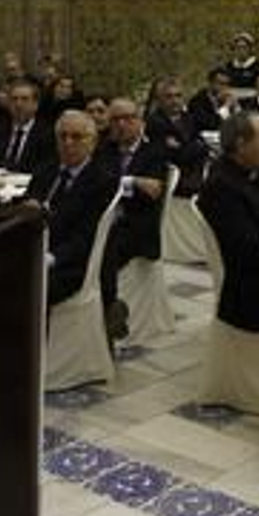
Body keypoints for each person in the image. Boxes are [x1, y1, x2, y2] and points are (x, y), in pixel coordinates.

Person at [197, 112, 259, 333]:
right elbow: (251, 251)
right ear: (241, 144)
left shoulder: (245, 174)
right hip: (257, 298)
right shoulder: (222, 188)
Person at [96, 97, 171, 341]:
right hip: (104, 220)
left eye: (128, 119)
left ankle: (108, 309)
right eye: (115, 119)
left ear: (140, 122)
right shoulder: (104, 148)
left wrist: (118, 183)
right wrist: (134, 181)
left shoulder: (155, 151)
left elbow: (152, 194)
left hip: (137, 227)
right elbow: (96, 182)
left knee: (103, 250)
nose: (121, 125)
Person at [28, 110, 119, 308]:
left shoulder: (103, 180)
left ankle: (33, 337)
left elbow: (86, 237)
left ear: (93, 142)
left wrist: (51, 258)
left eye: (77, 137)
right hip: (39, 247)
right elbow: (32, 201)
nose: (68, 143)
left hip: (75, 262)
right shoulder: (46, 170)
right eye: (63, 136)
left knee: (27, 286)